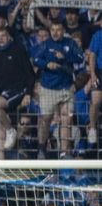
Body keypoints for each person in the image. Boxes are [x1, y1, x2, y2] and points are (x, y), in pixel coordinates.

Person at [32, 20, 83, 158]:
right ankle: (42, 147)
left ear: (63, 31)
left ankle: (65, 153)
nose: (55, 32)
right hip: (48, 88)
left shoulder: (70, 43)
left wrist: (65, 56)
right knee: (46, 119)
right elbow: (35, 59)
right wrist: (47, 64)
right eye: (52, 29)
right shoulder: (46, 44)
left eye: (58, 29)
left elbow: (80, 58)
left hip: (66, 88)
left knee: (67, 120)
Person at [0, 27, 34, 154]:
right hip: (6, 94)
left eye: (3, 35)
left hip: (20, 91)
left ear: (9, 38)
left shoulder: (18, 51)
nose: (1, 39)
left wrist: (28, 93)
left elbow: (30, 74)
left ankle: (11, 130)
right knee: (1, 124)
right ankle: (1, 163)